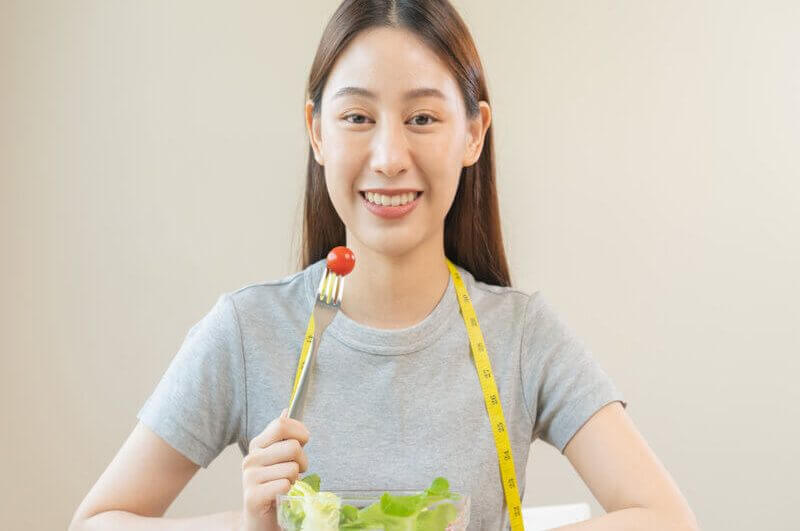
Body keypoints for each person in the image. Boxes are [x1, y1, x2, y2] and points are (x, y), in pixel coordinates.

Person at [70, 1, 699, 530]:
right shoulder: (246, 331)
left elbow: (668, 518)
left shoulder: (522, 338)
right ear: (316, 132)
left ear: (474, 134)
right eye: (357, 118)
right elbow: (95, 522)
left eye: (422, 118)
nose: (390, 156)